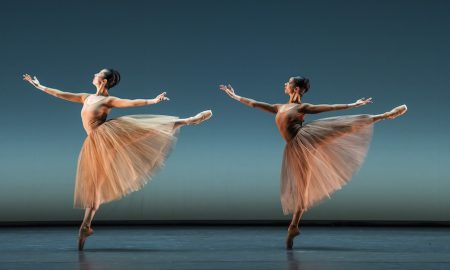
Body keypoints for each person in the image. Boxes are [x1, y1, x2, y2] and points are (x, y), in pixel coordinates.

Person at [23, 69, 212, 250]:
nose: (94, 75)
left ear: (103, 81)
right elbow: (61, 94)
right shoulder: (86, 97)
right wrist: (39, 86)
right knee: (94, 185)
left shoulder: (109, 100)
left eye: (97, 73)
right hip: (94, 143)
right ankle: (86, 226)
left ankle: (188, 121)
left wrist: (154, 100)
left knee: (146, 129)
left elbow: (131, 102)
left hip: (107, 135)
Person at [219, 76, 406, 249]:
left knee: (341, 127)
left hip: (306, 137)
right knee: (302, 189)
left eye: (288, 82)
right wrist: (234, 95)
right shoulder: (278, 107)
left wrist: (354, 104)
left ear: (296, 88)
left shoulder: (302, 107)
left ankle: (384, 115)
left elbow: (330, 108)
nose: (285, 84)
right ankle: (293, 226)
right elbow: (253, 103)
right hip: (295, 148)